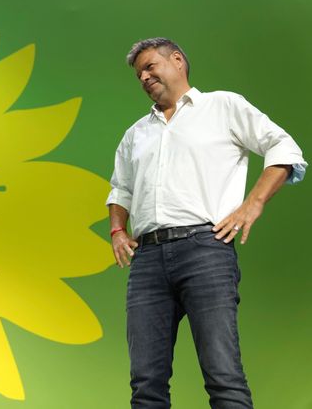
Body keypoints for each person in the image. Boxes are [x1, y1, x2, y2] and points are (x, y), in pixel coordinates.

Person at [106, 37, 306, 408]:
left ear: (178, 60)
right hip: (147, 262)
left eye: (150, 66)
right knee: (145, 384)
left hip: (205, 250)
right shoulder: (136, 133)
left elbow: (283, 148)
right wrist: (118, 229)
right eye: (139, 74)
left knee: (223, 376)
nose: (144, 77)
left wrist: (252, 204)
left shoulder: (222, 106)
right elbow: (120, 190)